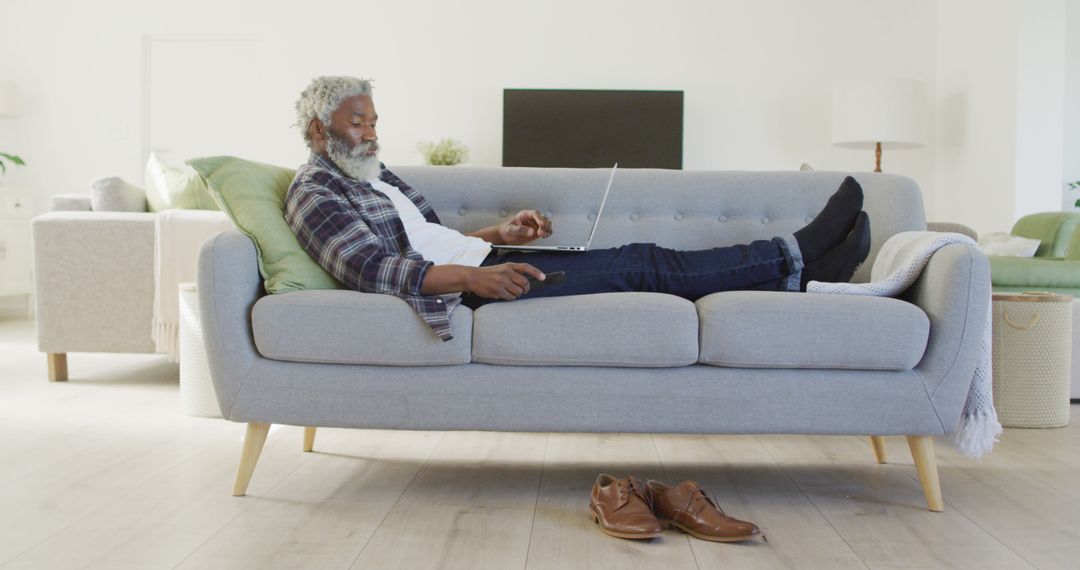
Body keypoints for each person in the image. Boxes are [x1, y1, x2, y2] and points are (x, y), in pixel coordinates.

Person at [285, 76, 871, 341]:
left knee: (645, 264)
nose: (370, 133)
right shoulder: (316, 193)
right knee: (642, 263)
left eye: (374, 121)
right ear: (319, 128)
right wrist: (477, 276)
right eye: (357, 122)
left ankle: (804, 278)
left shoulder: (374, 176)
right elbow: (371, 269)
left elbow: (426, 238)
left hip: (485, 261)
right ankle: (798, 252)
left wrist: (499, 232)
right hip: (465, 286)